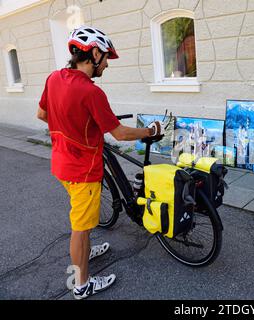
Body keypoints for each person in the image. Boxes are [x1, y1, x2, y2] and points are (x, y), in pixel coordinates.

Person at [36, 26, 162, 300]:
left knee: (81, 219)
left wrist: (70, 129)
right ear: (93, 53)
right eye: (105, 58)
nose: (106, 64)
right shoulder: (91, 92)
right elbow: (120, 133)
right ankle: (81, 285)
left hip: (61, 164)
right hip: (83, 171)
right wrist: (150, 132)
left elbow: (42, 114)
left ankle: (83, 251)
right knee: (79, 228)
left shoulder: (54, 78)